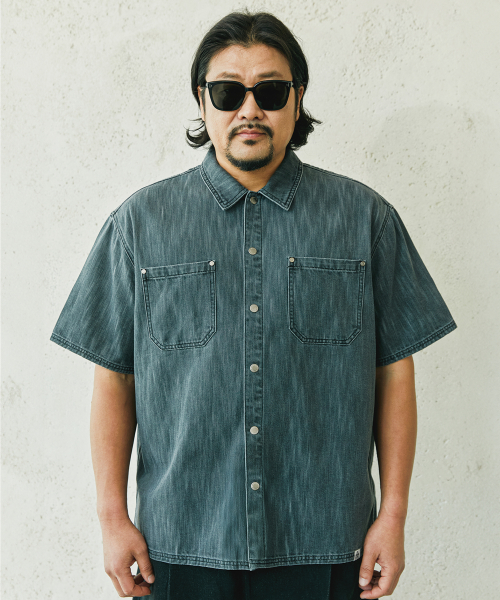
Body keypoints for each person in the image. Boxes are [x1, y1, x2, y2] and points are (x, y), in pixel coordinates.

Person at [49, 9, 458, 600]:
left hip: (326, 542)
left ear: (297, 99)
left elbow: (394, 373)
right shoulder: (139, 225)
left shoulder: (365, 220)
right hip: (180, 544)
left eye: (269, 91)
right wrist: (112, 518)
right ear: (202, 99)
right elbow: (115, 377)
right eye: (227, 92)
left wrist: (392, 516)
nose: (249, 110)